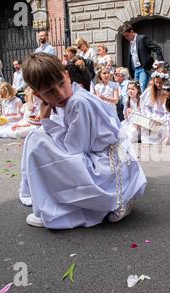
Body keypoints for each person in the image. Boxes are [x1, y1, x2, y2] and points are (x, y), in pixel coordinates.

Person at [19, 52, 147, 229]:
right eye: (49, 91)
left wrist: (46, 122)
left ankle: (56, 206)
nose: (60, 93)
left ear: (67, 75)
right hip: (109, 160)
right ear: (38, 95)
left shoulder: (78, 102)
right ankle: (51, 201)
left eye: (61, 84)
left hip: (107, 167)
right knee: (37, 137)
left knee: (38, 140)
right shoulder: (75, 96)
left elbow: (74, 149)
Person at [121, 23, 164, 92]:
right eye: (125, 36)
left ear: (131, 31)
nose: (126, 38)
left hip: (143, 68)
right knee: (136, 90)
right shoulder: (130, 42)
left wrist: (160, 62)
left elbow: (157, 48)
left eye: (127, 35)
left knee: (141, 90)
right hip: (135, 70)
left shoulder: (142, 38)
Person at [140, 71, 170, 145]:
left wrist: (163, 118)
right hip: (152, 115)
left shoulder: (168, 91)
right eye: (156, 82)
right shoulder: (150, 90)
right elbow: (146, 107)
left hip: (164, 116)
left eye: (160, 83)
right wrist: (150, 116)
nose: (158, 84)